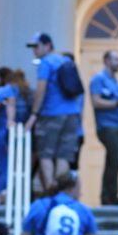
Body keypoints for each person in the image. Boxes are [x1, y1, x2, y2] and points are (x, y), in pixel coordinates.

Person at [24, 32, 82, 193]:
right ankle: (62, 191)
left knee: (46, 154)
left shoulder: (46, 63)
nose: (34, 50)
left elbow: (41, 89)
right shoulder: (66, 61)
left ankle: (50, 190)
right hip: (72, 115)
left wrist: (34, 114)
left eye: (36, 46)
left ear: (47, 45)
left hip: (51, 114)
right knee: (63, 156)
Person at [90, 50, 118, 206]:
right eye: (116, 59)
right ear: (107, 60)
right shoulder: (98, 80)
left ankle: (108, 196)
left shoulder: (117, 82)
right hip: (106, 127)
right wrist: (116, 104)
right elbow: (96, 102)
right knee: (115, 159)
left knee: (112, 161)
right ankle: (110, 197)